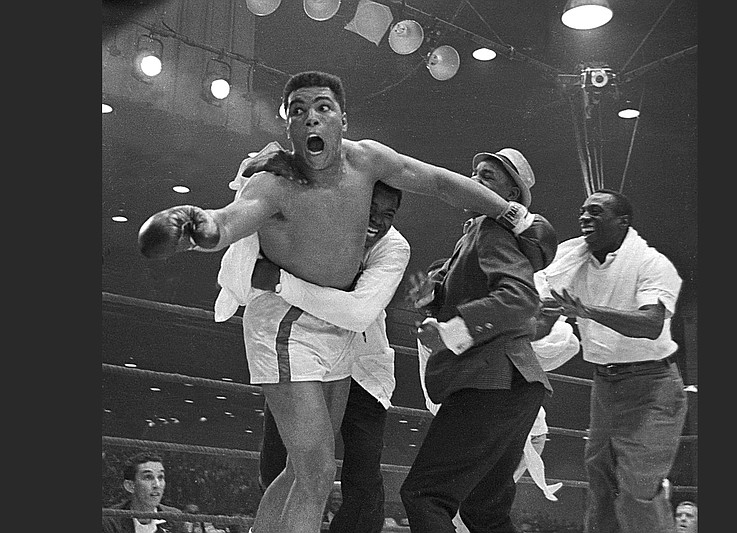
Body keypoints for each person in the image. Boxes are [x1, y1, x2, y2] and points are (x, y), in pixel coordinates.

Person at [137, 71, 541, 533]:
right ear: (287, 125)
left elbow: (438, 181)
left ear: (342, 120)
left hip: (343, 337)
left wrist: (513, 214)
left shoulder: (367, 163)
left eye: (323, 107)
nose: (312, 117)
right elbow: (231, 220)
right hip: (288, 327)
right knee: (315, 472)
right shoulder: (273, 184)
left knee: (300, 470)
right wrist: (200, 227)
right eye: (300, 110)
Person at [398, 148, 558, 532]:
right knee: (483, 509)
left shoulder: (491, 230)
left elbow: (520, 299)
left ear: (511, 197)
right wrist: (435, 299)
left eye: (487, 177)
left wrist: (451, 331)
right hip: (514, 385)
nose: (473, 182)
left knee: (425, 495)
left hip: (490, 382)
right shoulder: (474, 234)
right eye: (473, 173)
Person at [254, 180, 410, 533]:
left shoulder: (394, 247)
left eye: (388, 214)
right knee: (297, 468)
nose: (378, 221)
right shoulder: (313, 215)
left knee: (326, 475)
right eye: (371, 209)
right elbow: (242, 260)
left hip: (360, 365)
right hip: (293, 346)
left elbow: (358, 314)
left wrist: (280, 283)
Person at [539, 188, 688, 533]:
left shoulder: (651, 263)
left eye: (595, 212)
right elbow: (542, 319)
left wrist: (586, 310)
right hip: (605, 386)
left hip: (653, 388)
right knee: (601, 484)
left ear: (622, 222)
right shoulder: (572, 260)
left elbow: (651, 324)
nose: (584, 218)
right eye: (582, 211)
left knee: (638, 488)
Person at [102, 450, 181, 533]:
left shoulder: (175, 517)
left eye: (160, 477)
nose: (157, 485)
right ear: (129, 486)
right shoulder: (109, 521)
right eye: (148, 477)